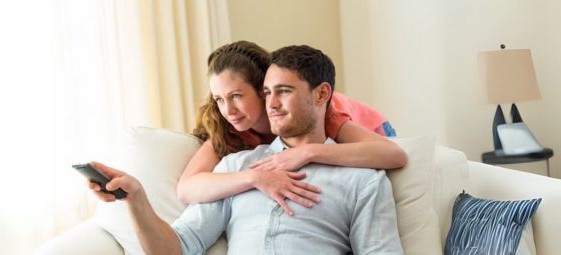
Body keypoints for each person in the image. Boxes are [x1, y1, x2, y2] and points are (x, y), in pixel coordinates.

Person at [87, 45, 403, 254]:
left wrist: (309, 153)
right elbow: (176, 246)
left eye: (284, 92)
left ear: (321, 95)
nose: (273, 104)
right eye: (268, 93)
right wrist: (137, 199)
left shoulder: (363, 179)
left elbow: (393, 154)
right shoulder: (234, 164)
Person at [178, 41, 406, 215]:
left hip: (374, 127)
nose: (228, 110)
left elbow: (393, 154)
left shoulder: (319, 114)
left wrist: (307, 152)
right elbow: (187, 188)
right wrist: (253, 177)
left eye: (236, 96)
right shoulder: (231, 129)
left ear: (262, 89)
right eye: (219, 99)